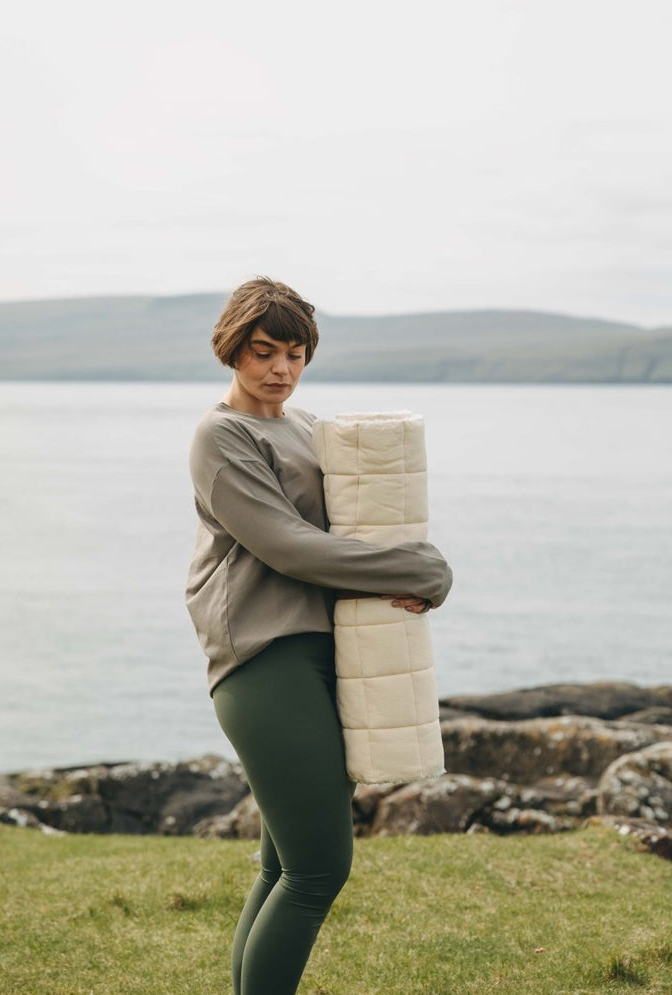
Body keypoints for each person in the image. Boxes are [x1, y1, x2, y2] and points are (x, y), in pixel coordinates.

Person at [185, 276, 452, 995]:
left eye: (294, 353)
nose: (280, 369)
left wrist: (393, 574)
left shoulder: (304, 427)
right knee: (318, 869)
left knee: (283, 867)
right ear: (232, 350)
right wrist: (415, 567)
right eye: (264, 351)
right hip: (264, 664)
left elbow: (346, 528)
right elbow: (289, 546)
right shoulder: (222, 435)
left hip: (321, 656)